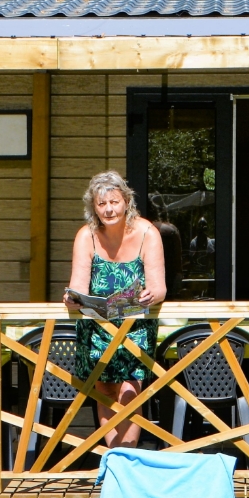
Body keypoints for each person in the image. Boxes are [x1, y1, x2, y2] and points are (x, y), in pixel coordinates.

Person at [63, 171, 166, 448]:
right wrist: (71, 299)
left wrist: (151, 294)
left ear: (126, 202)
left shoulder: (148, 233)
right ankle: (115, 457)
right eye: (101, 204)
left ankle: (128, 458)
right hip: (97, 327)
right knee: (105, 391)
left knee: (130, 391)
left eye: (114, 202)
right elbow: (77, 287)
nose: (109, 209)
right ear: (93, 208)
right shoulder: (86, 236)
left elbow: (160, 287)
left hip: (135, 327)